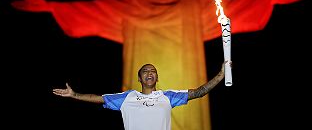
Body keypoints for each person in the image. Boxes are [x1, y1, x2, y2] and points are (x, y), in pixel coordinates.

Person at [11, 0, 312, 129]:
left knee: (188, 112)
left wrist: (271, 0)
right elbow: (92, 11)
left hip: (185, 80)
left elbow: (233, 10)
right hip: (145, 101)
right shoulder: (130, 4)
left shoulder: (193, 5)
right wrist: (52, 7)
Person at [53, 61, 230, 130]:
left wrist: (220, 75)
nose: (149, 73)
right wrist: (74, 94)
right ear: (139, 78)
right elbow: (99, 98)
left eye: (153, 71)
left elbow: (199, 92)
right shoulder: (127, 98)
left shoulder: (168, 96)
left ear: (157, 77)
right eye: (145, 71)